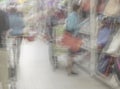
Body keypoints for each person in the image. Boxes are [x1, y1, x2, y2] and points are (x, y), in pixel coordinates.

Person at [65, 3, 81, 75]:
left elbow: (68, 25)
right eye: (79, 9)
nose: (80, 10)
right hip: (72, 37)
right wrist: (77, 27)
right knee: (71, 54)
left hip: (70, 36)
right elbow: (71, 27)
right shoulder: (74, 16)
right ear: (77, 9)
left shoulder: (71, 15)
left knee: (71, 54)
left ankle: (70, 69)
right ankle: (69, 70)